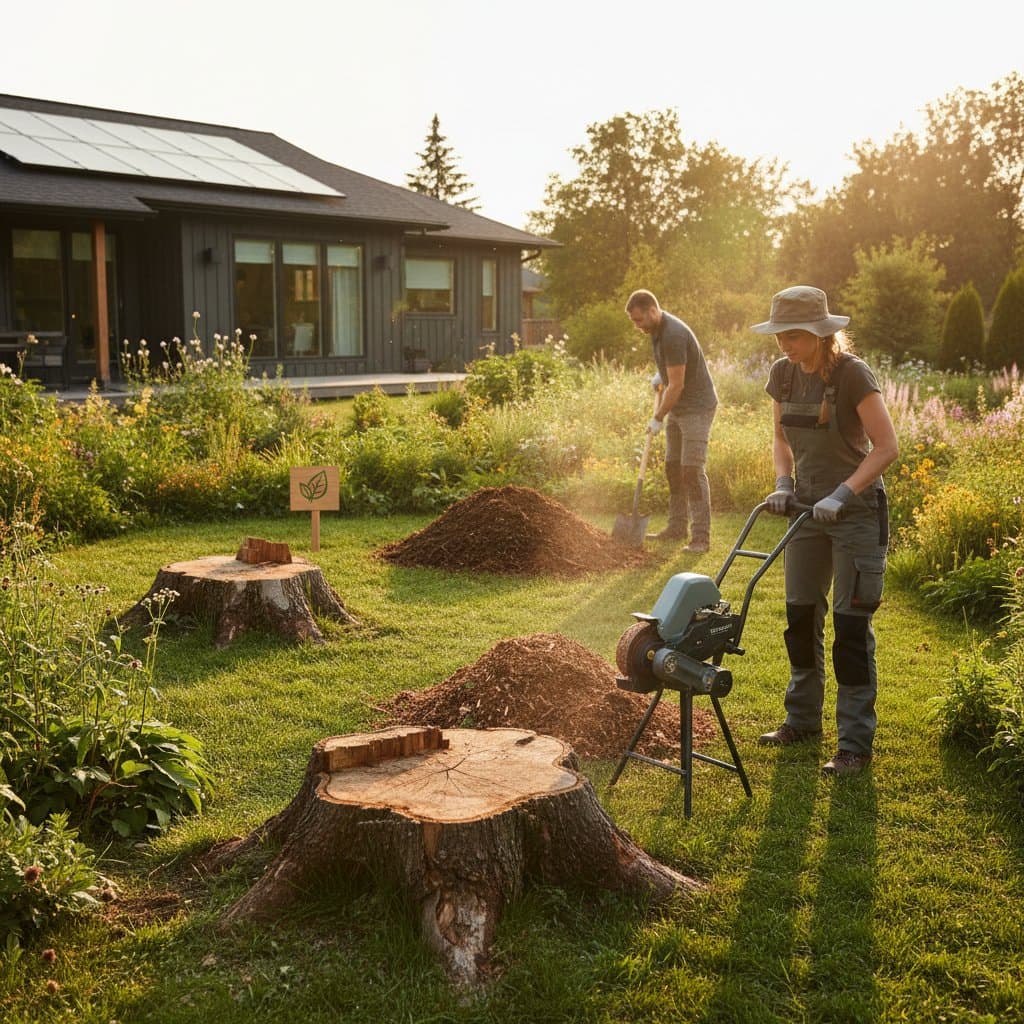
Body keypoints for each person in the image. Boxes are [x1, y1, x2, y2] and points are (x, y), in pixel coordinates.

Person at [751, 285, 899, 777]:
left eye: (794, 336)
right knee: (799, 617)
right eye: (780, 337)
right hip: (805, 510)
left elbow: (886, 447)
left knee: (850, 630)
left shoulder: (853, 375)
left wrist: (844, 493)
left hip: (853, 513)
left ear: (819, 332)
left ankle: (854, 744)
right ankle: (801, 721)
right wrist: (782, 481)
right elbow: (779, 436)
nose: (786, 345)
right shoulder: (783, 375)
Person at [625, 289, 718, 552]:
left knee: (691, 470)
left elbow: (676, 386)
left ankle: (700, 538)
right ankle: (676, 527)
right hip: (678, 406)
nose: (637, 326)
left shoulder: (673, 334)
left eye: (639, 320)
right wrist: (660, 376)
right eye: (633, 321)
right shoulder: (655, 331)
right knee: (672, 467)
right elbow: (671, 371)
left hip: (697, 408)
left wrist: (657, 417)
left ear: (652, 311)